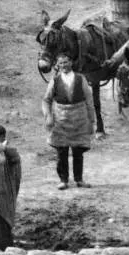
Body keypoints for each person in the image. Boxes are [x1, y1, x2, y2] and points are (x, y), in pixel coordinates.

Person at [44, 53, 95, 189]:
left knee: (78, 151)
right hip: (60, 119)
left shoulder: (80, 78)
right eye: (61, 63)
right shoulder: (54, 80)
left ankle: (79, 179)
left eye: (66, 62)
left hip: (79, 118)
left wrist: (91, 120)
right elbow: (46, 100)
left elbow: (89, 100)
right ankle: (63, 180)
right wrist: (48, 116)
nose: (64, 65)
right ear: (57, 65)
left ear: (71, 63)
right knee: (62, 151)